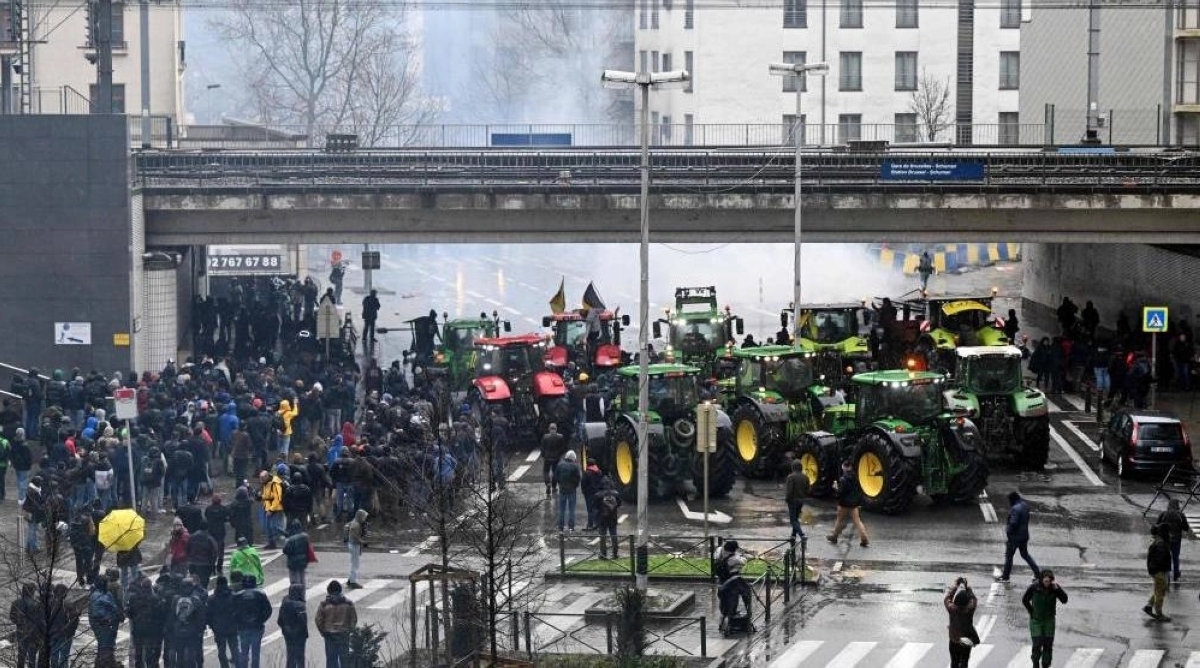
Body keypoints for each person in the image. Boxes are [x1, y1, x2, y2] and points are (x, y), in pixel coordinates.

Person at [1022, 570, 1068, 668]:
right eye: (1045, 581)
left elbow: (1064, 600)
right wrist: (1031, 612)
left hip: (1049, 621)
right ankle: (1035, 663)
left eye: (1049, 581)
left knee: (1048, 645)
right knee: (1037, 644)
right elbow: (1025, 600)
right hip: (1036, 621)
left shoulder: (1054, 588)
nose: (1047, 583)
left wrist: (1057, 590)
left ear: (1051, 581)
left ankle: (1046, 664)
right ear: (1041, 580)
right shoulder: (1034, 587)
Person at [998, 490, 1040, 582]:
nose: (1009, 503)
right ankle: (1037, 574)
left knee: (1009, 556)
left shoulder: (1015, 508)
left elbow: (1013, 523)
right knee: (1025, 555)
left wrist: (1008, 531)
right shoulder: (1025, 505)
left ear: (1012, 500)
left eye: (1009, 501)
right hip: (1024, 536)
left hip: (1014, 538)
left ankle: (1005, 577)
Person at [826, 460, 870, 548]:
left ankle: (834, 537)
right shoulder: (856, 477)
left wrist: (835, 487)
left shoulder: (843, 479)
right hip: (854, 504)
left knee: (840, 520)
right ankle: (864, 539)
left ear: (844, 467)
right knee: (858, 521)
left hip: (844, 504)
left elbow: (840, 493)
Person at [234, 573, 273, 668]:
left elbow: (232, 612)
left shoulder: (237, 596)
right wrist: (261, 620)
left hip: (242, 628)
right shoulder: (261, 594)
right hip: (257, 627)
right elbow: (268, 610)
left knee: (244, 651)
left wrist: (238, 622)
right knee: (256, 651)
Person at [316, 580, 358, 668]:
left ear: (329, 591)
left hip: (329, 635)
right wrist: (349, 630)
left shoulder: (324, 604)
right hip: (343, 634)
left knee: (331, 660)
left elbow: (318, 620)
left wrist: (323, 632)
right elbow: (353, 619)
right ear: (340, 590)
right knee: (344, 660)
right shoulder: (348, 603)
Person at [943, 577, 979, 668]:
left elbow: (947, 599)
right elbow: (973, 599)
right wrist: (968, 589)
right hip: (966, 641)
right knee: (965, 661)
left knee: (954, 661)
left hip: (954, 640)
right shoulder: (969, 609)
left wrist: (955, 588)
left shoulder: (952, 609)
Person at [89, 575, 123, 668]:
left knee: (108, 646)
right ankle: (105, 664)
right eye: (107, 582)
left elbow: (113, 606)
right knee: (105, 647)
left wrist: (118, 614)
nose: (109, 584)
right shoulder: (96, 596)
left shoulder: (107, 593)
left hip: (110, 625)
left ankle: (109, 664)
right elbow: (97, 614)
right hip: (103, 627)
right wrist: (109, 620)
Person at [207, 574, 240, 668]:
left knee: (221, 652)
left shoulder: (212, 599)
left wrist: (212, 626)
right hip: (232, 627)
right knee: (235, 649)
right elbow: (239, 611)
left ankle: (224, 666)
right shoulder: (234, 597)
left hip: (219, 629)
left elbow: (208, 616)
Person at [1155, 498, 1190, 582]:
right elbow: (1186, 528)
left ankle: (1166, 573)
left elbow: (1157, 525)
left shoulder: (1163, 514)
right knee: (1175, 557)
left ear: (1169, 505)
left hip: (1165, 539)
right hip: (1176, 540)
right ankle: (1176, 574)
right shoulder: (1181, 515)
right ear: (1177, 505)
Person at [717, 555, 752, 633]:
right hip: (730, 610)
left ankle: (724, 624)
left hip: (724, 609)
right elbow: (747, 593)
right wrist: (748, 609)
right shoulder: (736, 579)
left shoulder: (722, 582)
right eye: (740, 568)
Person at [1145, 523, 1173, 621]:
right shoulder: (1161, 543)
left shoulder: (1158, 540)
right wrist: (1162, 569)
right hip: (1158, 570)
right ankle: (1159, 613)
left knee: (1158, 589)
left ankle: (1149, 606)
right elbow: (1159, 559)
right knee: (1161, 591)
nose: (1170, 534)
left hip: (1155, 570)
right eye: (1168, 532)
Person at [277, 584, 308, 668]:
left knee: (290, 656)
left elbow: (279, 620)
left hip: (288, 634)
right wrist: (305, 634)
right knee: (300, 657)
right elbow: (303, 622)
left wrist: (285, 630)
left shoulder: (284, 603)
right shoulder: (300, 606)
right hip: (299, 635)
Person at [9, 582, 37, 668]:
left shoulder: (16, 602)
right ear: (32, 592)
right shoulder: (36, 603)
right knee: (32, 657)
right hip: (33, 633)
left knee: (21, 656)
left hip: (20, 631)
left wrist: (19, 623)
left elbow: (12, 617)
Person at [593, 477, 622, 559]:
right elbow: (619, 504)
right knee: (614, 535)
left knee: (602, 536)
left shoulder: (598, 495)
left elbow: (595, 506)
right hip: (613, 518)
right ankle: (615, 553)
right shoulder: (616, 494)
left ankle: (603, 554)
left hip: (602, 518)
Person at [186, 520, 219, 588]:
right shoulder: (209, 538)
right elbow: (214, 552)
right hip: (205, 565)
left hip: (193, 564)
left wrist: (189, 560)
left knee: (194, 583)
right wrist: (212, 565)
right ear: (207, 528)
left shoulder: (192, 537)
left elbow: (187, 549)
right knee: (203, 584)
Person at [554, 450, 582, 532]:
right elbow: (578, 478)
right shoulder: (575, 466)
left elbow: (556, 476)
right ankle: (571, 527)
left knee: (561, 510)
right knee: (571, 510)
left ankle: (561, 527)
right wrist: (575, 486)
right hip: (572, 491)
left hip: (562, 490)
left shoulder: (560, 465)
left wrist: (560, 484)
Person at [282, 519, 312, 587]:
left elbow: (285, 550)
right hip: (303, 560)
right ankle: (302, 594)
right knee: (302, 578)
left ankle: (297, 594)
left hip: (293, 562)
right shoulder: (305, 536)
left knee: (295, 579)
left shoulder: (291, 539)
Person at [784, 459, 810, 539]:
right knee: (796, 518)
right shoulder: (805, 477)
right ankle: (793, 535)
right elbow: (808, 490)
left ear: (793, 467)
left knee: (793, 520)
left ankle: (802, 535)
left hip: (792, 501)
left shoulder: (790, 477)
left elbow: (789, 491)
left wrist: (787, 499)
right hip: (801, 500)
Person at [540, 424, 567, 497]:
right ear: (556, 429)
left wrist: (543, 455)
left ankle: (548, 483)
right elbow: (563, 448)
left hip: (547, 457)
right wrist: (559, 454)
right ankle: (554, 486)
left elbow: (542, 447)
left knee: (546, 471)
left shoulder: (545, 436)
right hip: (556, 457)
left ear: (549, 429)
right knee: (555, 472)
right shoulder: (560, 436)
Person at [345, 508, 369, 589]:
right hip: (354, 545)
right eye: (364, 517)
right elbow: (355, 537)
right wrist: (363, 542)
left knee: (354, 563)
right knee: (355, 565)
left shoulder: (355, 522)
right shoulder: (356, 525)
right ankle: (353, 582)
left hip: (352, 544)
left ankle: (350, 580)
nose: (364, 519)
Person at [580, 458, 604, 531]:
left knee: (590, 509)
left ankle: (590, 525)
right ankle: (598, 524)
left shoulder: (587, 473)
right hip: (598, 493)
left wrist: (584, 491)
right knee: (597, 508)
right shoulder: (599, 472)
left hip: (589, 494)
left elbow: (583, 483)